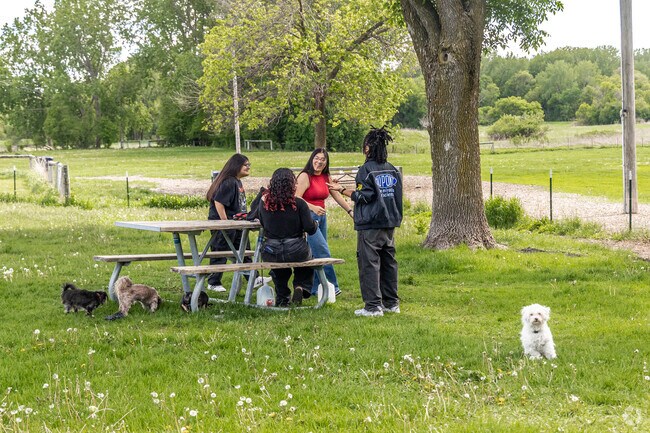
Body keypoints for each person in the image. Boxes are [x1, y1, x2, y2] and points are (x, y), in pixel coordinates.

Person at [328, 127, 403, 317]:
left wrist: (341, 189)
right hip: (389, 222)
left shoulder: (366, 170)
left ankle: (372, 307)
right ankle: (391, 303)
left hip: (370, 223)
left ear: (368, 148)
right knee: (388, 263)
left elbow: (365, 196)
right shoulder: (392, 169)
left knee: (369, 263)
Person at [205, 154, 269, 292]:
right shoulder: (229, 181)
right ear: (236, 165)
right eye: (246, 164)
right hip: (225, 225)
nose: (248, 167)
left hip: (237, 224)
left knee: (244, 251)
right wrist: (225, 222)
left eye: (249, 164)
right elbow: (218, 201)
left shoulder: (237, 181)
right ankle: (213, 282)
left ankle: (254, 277)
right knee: (219, 251)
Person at [296, 148, 353, 297]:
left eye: (323, 159)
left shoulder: (325, 176)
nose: (319, 162)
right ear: (311, 158)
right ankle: (333, 287)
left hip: (321, 218)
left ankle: (315, 288)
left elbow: (337, 196)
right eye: (317, 158)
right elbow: (296, 198)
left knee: (317, 253)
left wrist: (350, 211)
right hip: (308, 217)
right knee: (322, 251)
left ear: (326, 162)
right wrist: (313, 207)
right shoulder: (305, 176)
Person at [257, 168, 318, 307]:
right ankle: (301, 286)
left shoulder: (265, 203)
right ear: (292, 184)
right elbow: (310, 228)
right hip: (296, 248)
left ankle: (283, 297)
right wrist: (315, 224)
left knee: (278, 269)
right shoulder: (299, 203)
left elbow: (261, 221)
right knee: (307, 263)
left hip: (271, 249)